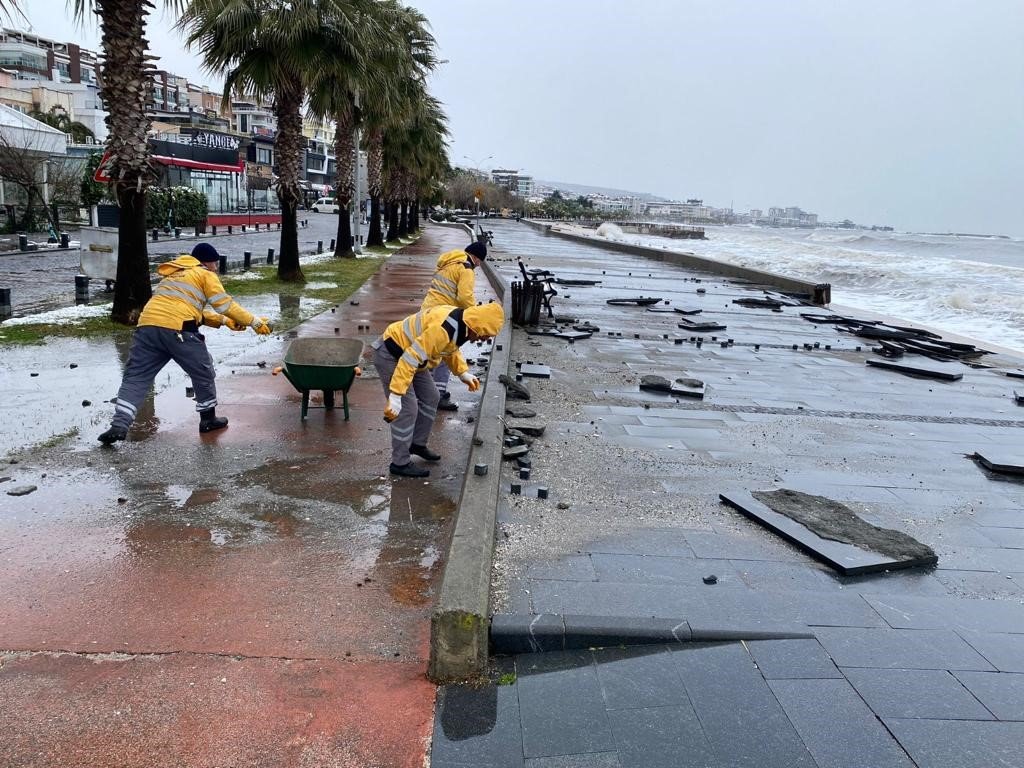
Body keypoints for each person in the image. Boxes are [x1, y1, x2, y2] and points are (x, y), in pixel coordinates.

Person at [97, 242, 272, 445]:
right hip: (180, 330)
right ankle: (208, 420)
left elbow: (188, 308)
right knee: (202, 370)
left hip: (147, 327)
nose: (216, 268)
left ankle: (119, 425)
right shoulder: (205, 274)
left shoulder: (171, 276)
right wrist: (254, 322)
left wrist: (225, 322)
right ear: (207, 263)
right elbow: (225, 305)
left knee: (136, 377)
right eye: (215, 264)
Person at [373, 302, 504, 478]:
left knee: (432, 397)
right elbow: (410, 358)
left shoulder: (462, 324)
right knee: (407, 409)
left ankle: (417, 444)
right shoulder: (443, 328)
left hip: (414, 359)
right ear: (476, 325)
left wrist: (463, 373)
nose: (482, 339)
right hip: (392, 355)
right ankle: (400, 463)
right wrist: (396, 394)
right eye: (483, 335)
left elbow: (450, 348)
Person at [420, 239, 487, 412]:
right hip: (444, 315)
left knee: (430, 351)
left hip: (428, 310)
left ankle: (428, 391)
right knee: (445, 352)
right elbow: (465, 298)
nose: (478, 266)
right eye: (480, 262)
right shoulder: (466, 269)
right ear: (477, 258)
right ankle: (438, 395)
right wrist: (475, 316)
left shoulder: (448, 262)